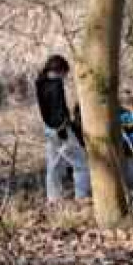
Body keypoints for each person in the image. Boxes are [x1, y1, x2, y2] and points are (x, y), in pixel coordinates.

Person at [35, 54, 90, 202]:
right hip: (60, 129)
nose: (65, 76)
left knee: (53, 166)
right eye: (65, 72)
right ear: (60, 70)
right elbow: (58, 109)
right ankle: (82, 197)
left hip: (48, 129)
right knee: (81, 163)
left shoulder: (40, 82)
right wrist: (64, 128)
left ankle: (53, 199)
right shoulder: (56, 84)